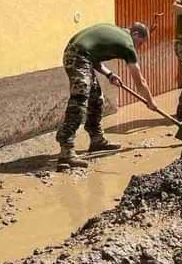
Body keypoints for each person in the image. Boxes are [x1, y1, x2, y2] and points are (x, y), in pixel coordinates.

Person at [56, 21, 158, 170]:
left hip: (81, 55)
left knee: (97, 99)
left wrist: (109, 74)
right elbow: (140, 81)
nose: (138, 47)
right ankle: (66, 150)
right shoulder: (127, 44)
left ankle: (97, 140)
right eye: (140, 43)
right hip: (78, 56)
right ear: (135, 34)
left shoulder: (114, 32)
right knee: (80, 99)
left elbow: (93, 55)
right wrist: (150, 101)